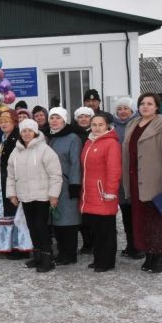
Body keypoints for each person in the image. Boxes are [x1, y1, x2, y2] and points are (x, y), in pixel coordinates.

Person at [122, 93, 162, 274]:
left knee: (160, 220)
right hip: (137, 181)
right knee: (143, 221)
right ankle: (149, 254)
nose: (145, 106)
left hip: (158, 181)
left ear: (156, 106)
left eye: (149, 103)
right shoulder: (132, 125)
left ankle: (161, 256)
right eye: (142, 104)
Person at [6, 119, 62, 273]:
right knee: (31, 226)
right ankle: (37, 256)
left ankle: (47, 258)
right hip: (25, 195)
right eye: (24, 131)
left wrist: (53, 195)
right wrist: (12, 194)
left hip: (42, 196)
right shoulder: (16, 151)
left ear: (36, 132)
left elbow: (55, 175)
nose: (26, 133)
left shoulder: (45, 150)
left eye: (30, 130)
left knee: (41, 227)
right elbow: (10, 175)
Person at [81, 113, 122, 272]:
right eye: (94, 124)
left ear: (107, 126)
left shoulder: (111, 143)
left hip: (104, 194)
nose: (97, 128)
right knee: (96, 230)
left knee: (106, 230)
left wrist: (110, 192)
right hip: (90, 193)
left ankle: (107, 262)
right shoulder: (88, 142)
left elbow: (114, 170)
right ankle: (98, 258)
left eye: (100, 125)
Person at [44, 107, 82, 265]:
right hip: (51, 185)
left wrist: (74, 184)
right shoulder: (48, 137)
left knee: (69, 220)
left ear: (64, 120)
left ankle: (70, 253)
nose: (54, 121)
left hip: (67, 185)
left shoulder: (72, 138)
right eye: (52, 117)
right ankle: (61, 251)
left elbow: (75, 163)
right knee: (56, 220)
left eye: (57, 118)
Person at [0, 110, 32, 258]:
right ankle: (10, 245)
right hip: (4, 179)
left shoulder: (17, 139)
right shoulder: (3, 138)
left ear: (14, 122)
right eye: (1, 121)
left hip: (15, 182)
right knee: (8, 213)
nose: (3, 123)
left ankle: (21, 248)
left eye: (6, 121)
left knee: (16, 214)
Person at [112, 97, 143, 260]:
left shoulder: (138, 125)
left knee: (137, 213)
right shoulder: (112, 128)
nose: (122, 111)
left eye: (126, 108)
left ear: (132, 111)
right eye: (120, 109)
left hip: (135, 176)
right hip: (120, 178)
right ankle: (131, 245)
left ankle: (140, 246)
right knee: (125, 213)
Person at [72, 105, 95, 254]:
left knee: (92, 212)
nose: (83, 119)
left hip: (92, 177)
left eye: (86, 116)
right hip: (77, 176)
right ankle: (87, 241)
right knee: (79, 211)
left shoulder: (96, 133)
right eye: (81, 117)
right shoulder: (73, 134)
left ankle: (94, 241)